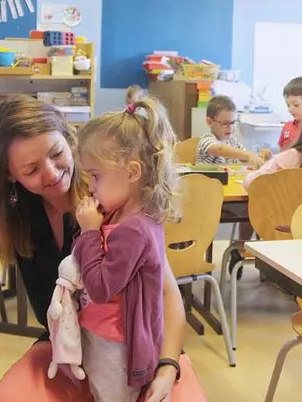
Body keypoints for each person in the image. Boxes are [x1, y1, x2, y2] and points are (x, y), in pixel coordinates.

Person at [0, 94, 205, 402]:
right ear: (10, 175)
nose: (52, 174)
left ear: (70, 140)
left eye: (56, 153)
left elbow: (167, 293)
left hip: (135, 349)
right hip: (66, 350)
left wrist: (167, 367)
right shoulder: (16, 215)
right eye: (31, 170)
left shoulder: (111, 200)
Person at [72, 97, 177, 401]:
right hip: (103, 335)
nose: (90, 187)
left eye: (95, 176)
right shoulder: (124, 215)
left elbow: (102, 287)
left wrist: (90, 231)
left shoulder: (134, 230)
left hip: (115, 346)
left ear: (133, 173)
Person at [196, 95, 262, 281]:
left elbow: (244, 159)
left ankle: (241, 248)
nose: (230, 128)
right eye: (225, 124)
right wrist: (247, 154)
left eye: (233, 123)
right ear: (210, 121)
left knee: (253, 208)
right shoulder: (206, 140)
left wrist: (256, 157)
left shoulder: (233, 141)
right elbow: (218, 150)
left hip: (232, 198)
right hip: (209, 200)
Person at [278, 77, 302, 151]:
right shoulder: (287, 126)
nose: (290, 109)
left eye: (296, 105)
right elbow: (281, 153)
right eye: (288, 105)